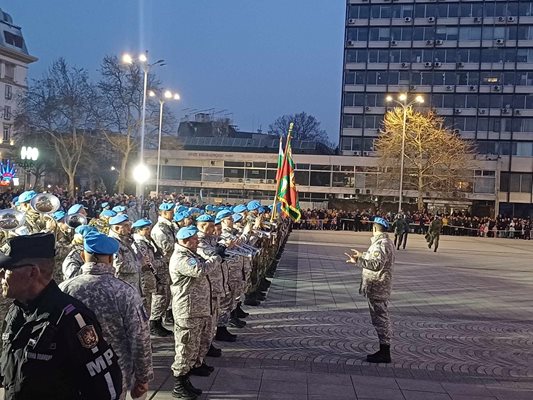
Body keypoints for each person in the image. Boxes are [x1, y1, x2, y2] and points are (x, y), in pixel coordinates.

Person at [0, 233, 123, 399]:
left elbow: (105, 386)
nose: (1, 275)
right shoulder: (16, 312)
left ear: (32, 272)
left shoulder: (72, 318)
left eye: (6, 269)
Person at [60, 232, 153, 400]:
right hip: (114, 370)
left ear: (83, 256)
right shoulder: (125, 291)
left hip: (73, 368)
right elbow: (140, 337)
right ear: (111, 258)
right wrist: (143, 377)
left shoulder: (65, 289)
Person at [170, 225, 222, 399]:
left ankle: (194, 368)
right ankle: (179, 382)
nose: (197, 240)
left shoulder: (190, 254)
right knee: (186, 346)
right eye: (193, 239)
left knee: (197, 342)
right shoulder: (181, 257)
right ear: (185, 241)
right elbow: (200, 270)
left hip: (198, 307)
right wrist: (217, 257)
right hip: (187, 309)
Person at [345, 217, 395, 363]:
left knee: (380, 319)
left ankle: (385, 351)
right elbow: (376, 259)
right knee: (379, 318)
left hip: (378, 286)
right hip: (378, 286)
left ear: (374, 228)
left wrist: (359, 261)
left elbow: (376, 264)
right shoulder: (384, 243)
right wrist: (362, 255)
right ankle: (383, 349)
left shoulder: (381, 244)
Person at [132, 218, 172, 337]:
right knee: (147, 304)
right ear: (139, 231)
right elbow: (149, 262)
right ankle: (150, 327)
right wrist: (163, 260)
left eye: (149, 228)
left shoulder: (146, 241)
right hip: (146, 277)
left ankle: (155, 324)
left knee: (154, 301)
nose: (149, 231)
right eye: (146, 229)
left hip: (153, 276)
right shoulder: (139, 244)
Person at [151, 202, 176, 326]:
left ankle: (160, 319)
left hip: (169, 263)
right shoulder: (160, 228)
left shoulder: (169, 226)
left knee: (166, 294)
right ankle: (154, 322)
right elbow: (166, 248)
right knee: (161, 294)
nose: (173, 214)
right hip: (163, 264)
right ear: (164, 213)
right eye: (171, 212)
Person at [108, 214, 143, 294]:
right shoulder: (113, 243)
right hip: (123, 287)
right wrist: (139, 263)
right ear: (117, 228)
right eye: (126, 226)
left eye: (129, 225)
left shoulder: (125, 240)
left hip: (132, 285)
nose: (129, 228)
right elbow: (119, 266)